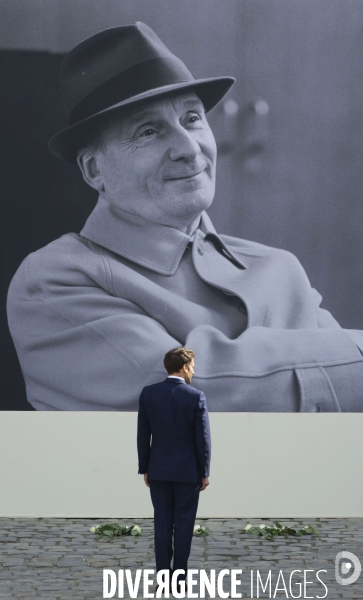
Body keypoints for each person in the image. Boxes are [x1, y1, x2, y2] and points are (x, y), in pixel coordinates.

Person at [6, 21, 363, 412]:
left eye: (192, 119)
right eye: (147, 131)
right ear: (94, 170)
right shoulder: (53, 280)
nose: (188, 149)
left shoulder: (281, 269)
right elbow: (176, 388)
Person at [137, 347, 211, 597]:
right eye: (192, 366)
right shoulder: (195, 396)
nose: (193, 371)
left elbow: (143, 435)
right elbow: (202, 438)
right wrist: (204, 471)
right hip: (188, 472)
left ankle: (162, 578)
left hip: (158, 470)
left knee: (162, 523)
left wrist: (145, 467)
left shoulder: (149, 394)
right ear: (183, 367)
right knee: (184, 525)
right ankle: (179, 580)